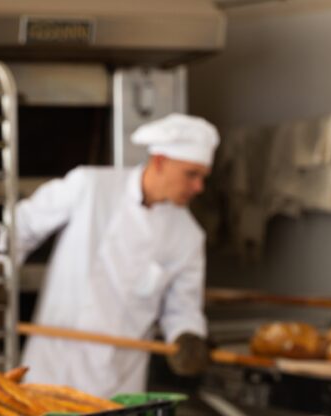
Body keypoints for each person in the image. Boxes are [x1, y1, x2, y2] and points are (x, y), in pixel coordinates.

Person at [13, 113, 220, 396]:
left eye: (202, 177)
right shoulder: (91, 186)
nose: (199, 187)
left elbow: (182, 306)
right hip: (53, 365)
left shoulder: (188, 235)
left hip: (117, 381)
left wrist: (188, 335)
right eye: (191, 175)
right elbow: (23, 224)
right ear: (159, 161)